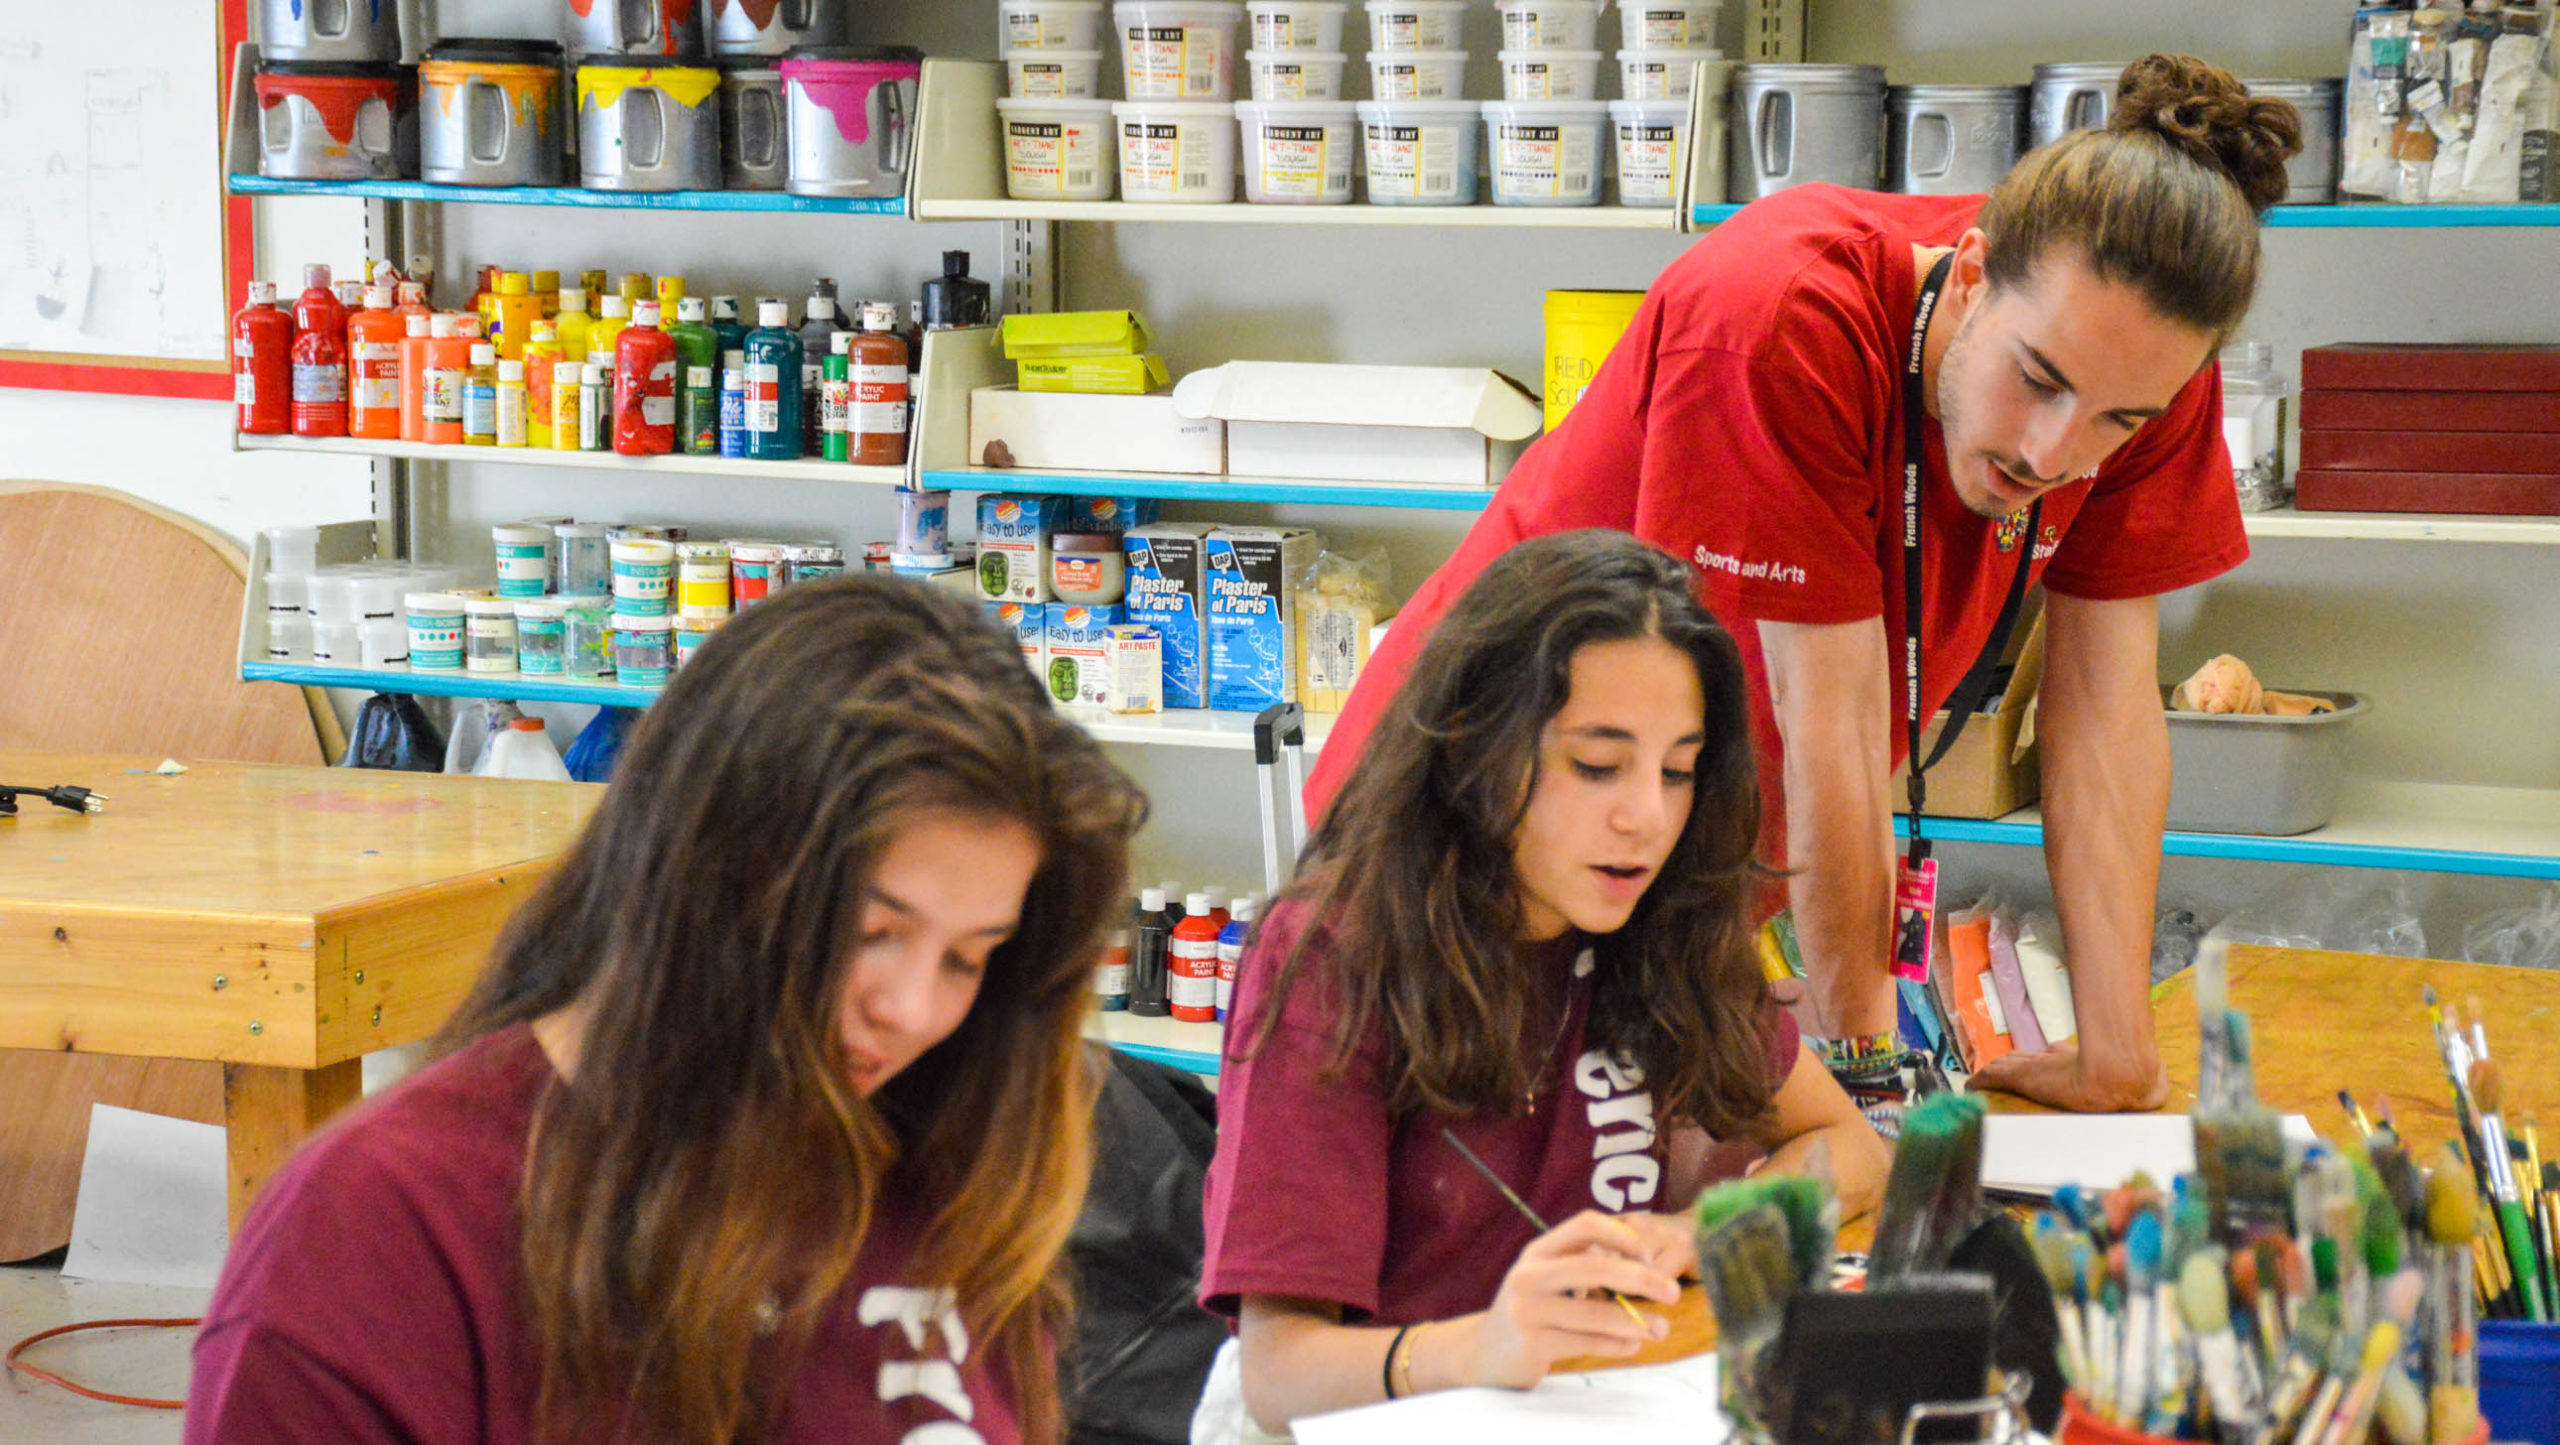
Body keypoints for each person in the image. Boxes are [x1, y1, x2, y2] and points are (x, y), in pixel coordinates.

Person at [1305, 56, 2305, 1117]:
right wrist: (1867, 1073)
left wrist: (2113, 1050)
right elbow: (1827, 727)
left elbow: (2105, 711)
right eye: (2037, 381)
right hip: (1459, 831)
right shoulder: (1779, 317)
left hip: (1670, 853)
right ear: (1967, 277)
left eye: (2117, 420)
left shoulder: (2136, 361)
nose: (2058, 450)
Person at [185, 578, 1148, 1445]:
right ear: (706, 871)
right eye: (868, 931)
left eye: (968, 958)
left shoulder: (948, 1169)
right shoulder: (388, 1227)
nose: (912, 1008)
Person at [1196, 531, 1890, 1439]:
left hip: (1589, 1403)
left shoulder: (1657, 920)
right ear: (1479, 749)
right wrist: (1478, 1345)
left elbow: (1853, 1147)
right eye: (1597, 764)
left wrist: (1701, 1232)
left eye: (1678, 770)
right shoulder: (1334, 954)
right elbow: (1278, 1372)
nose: (1646, 815)